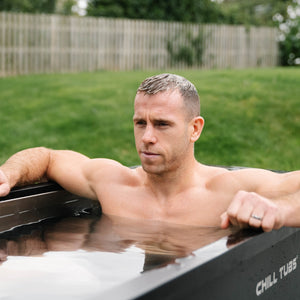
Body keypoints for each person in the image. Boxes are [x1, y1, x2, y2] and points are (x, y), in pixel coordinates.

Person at [0, 73, 299, 232]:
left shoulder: (227, 190)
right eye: (140, 123)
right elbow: (48, 157)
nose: (147, 137)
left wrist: (281, 210)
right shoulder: (114, 183)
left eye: (162, 124)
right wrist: (9, 173)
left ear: (194, 129)